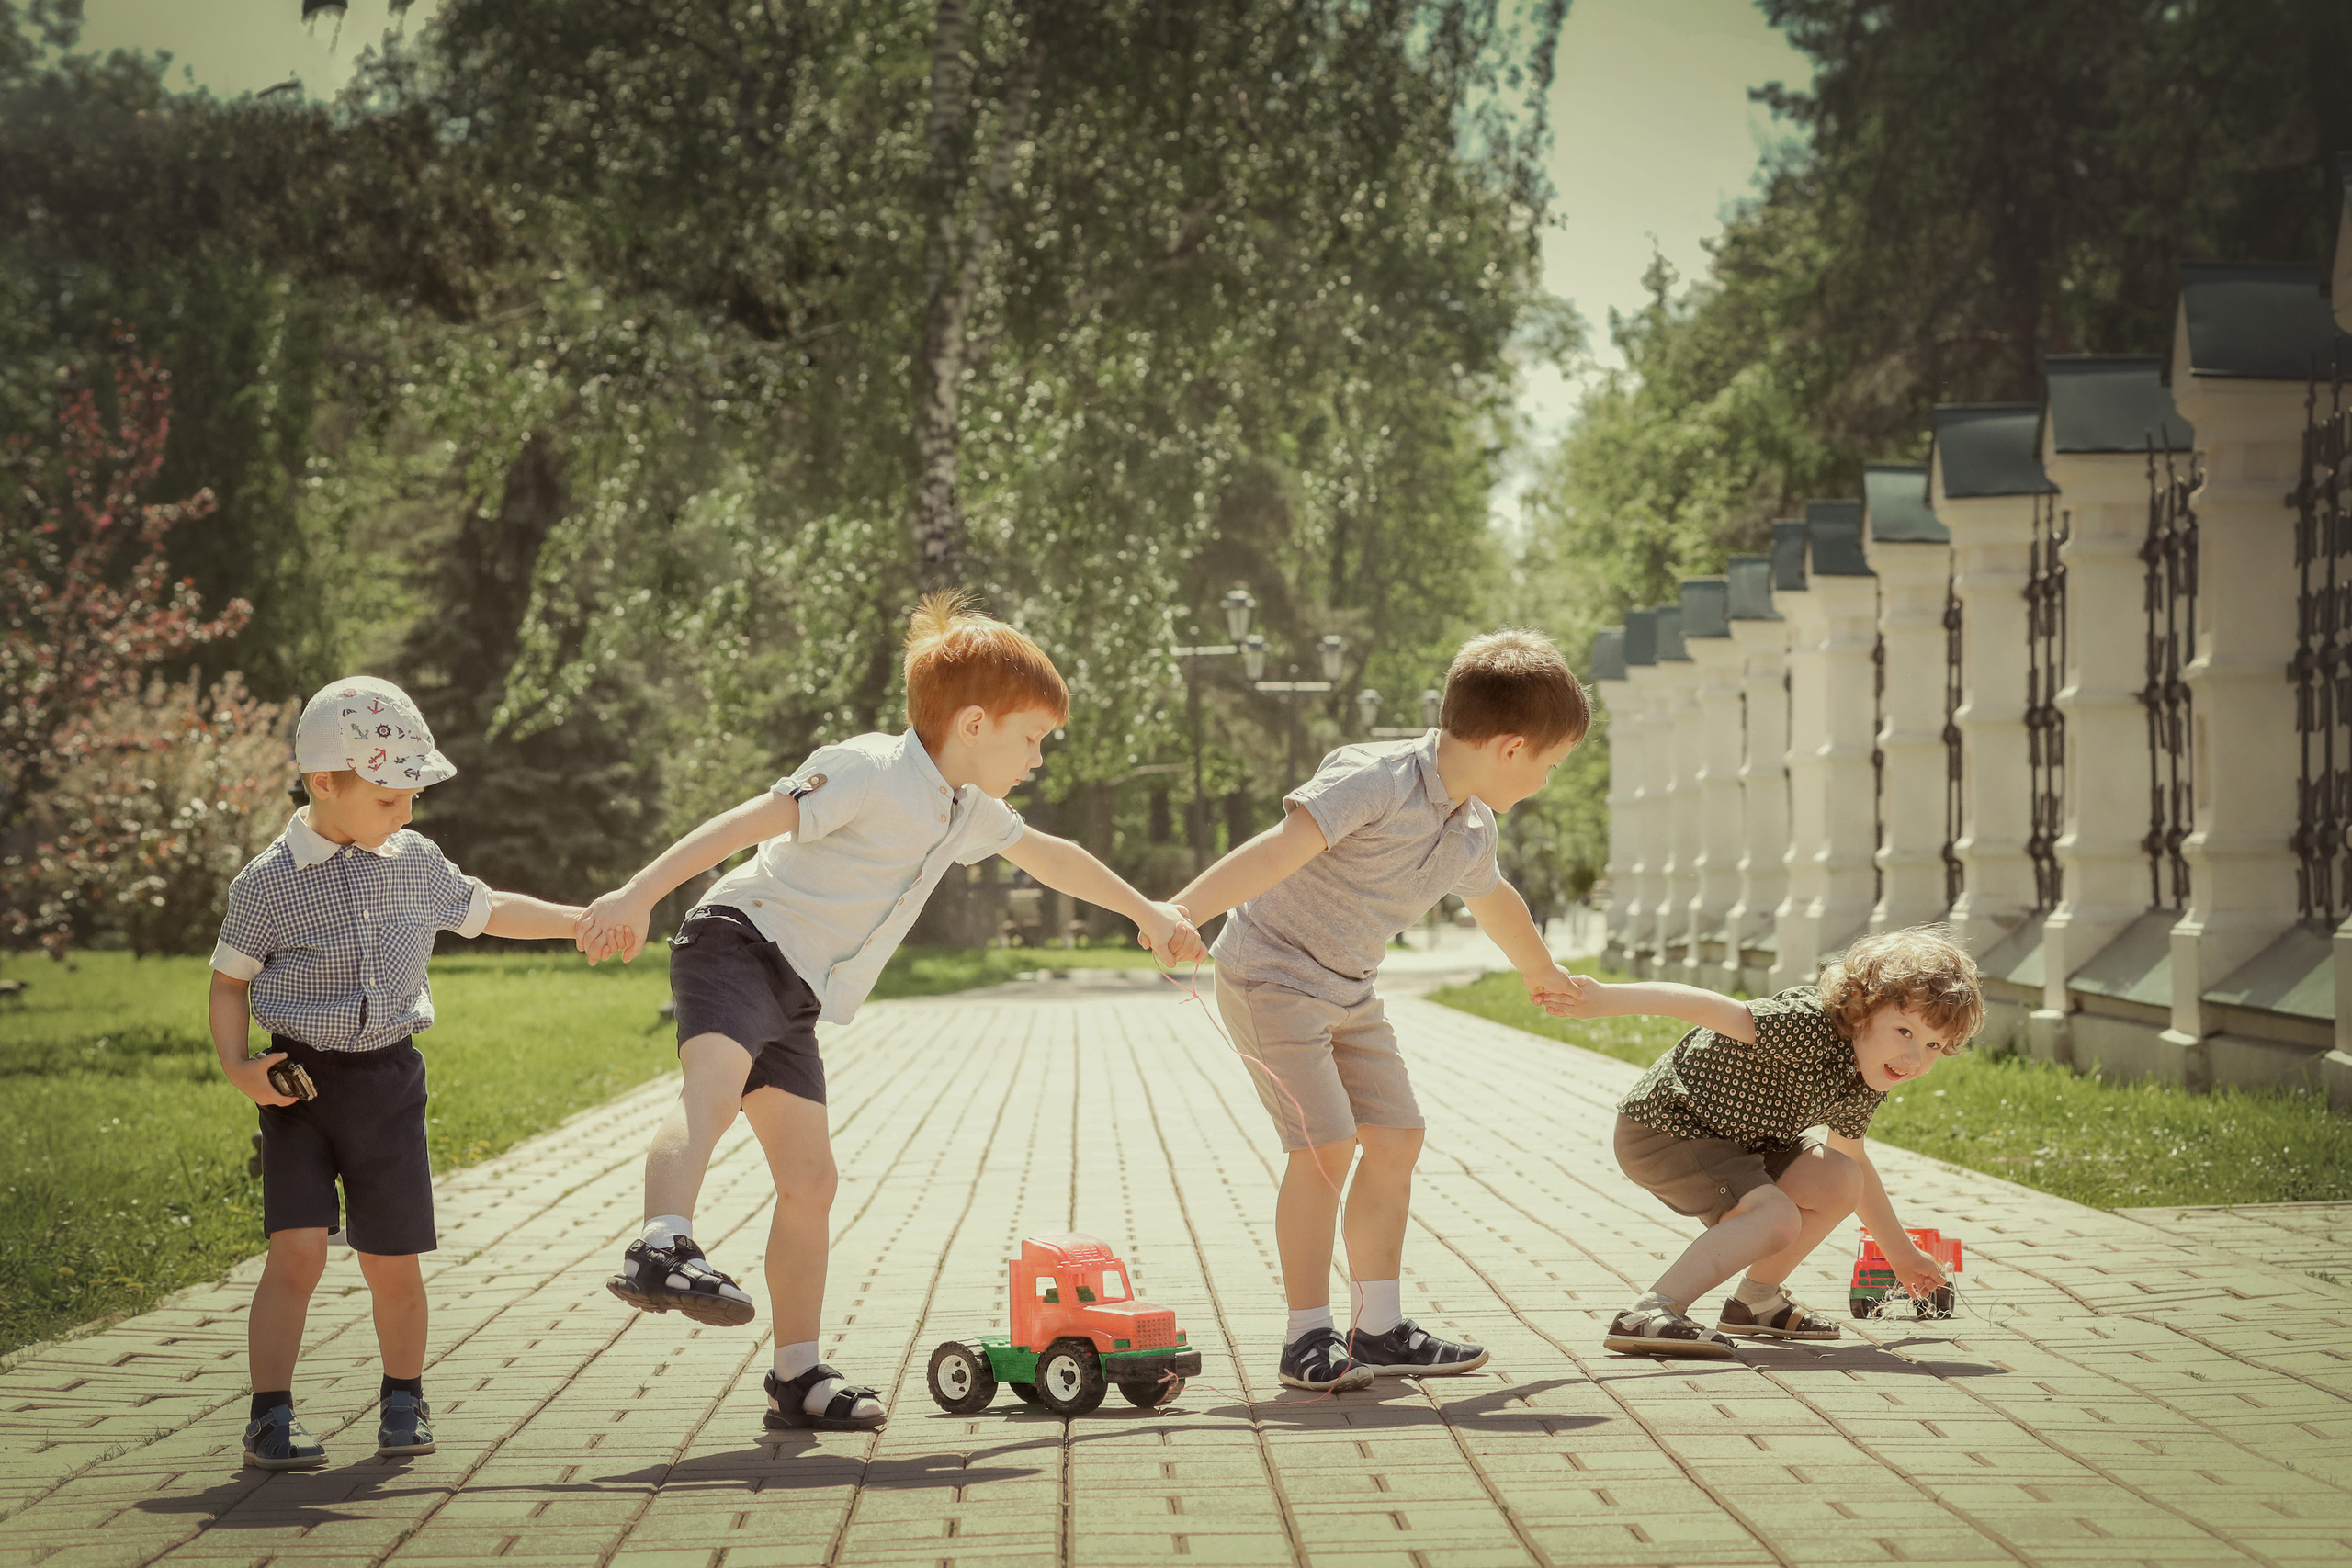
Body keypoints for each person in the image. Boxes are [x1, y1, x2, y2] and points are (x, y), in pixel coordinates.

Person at [574, 592, 1203, 1433]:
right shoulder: (868, 767)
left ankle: (796, 1377)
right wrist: (638, 891)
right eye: (1033, 738)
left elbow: (1053, 856)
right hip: (735, 939)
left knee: (811, 1179)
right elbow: (746, 821)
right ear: (974, 724)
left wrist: (1148, 912)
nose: (1039, 758)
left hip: (797, 988)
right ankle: (661, 1242)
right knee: (712, 1090)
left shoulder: (963, 806)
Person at [1169, 629, 1587, 1392]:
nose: (1548, 781)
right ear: (1511, 747)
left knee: (1395, 1136)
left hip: (1349, 990)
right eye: (1551, 765)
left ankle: (1380, 1328)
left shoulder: (1470, 826)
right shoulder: (1378, 778)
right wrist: (1184, 911)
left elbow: (1497, 903)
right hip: (1272, 977)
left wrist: (1544, 973)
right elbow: (1277, 849)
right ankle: (1306, 1336)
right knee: (1325, 1148)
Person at [209, 676, 586, 1471]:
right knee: (298, 1252)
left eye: (413, 794)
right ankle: (269, 1414)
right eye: (389, 797)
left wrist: (578, 921)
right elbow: (228, 981)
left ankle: (403, 1396)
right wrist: (239, 1066)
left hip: (388, 1086)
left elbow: (490, 909)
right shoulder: (268, 883)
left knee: (393, 1257)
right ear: (324, 783)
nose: (406, 812)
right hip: (298, 1090)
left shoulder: (415, 862)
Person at [1547, 926, 1984, 1359]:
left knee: (1841, 1178)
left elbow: (1854, 1159)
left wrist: (1902, 1256)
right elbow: (1707, 1006)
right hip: (1669, 1128)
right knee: (1776, 1219)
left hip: (1741, 1142)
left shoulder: (1869, 1073)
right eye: (1904, 1032)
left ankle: (1756, 1302)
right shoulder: (1807, 1025)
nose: (1914, 1058)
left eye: (1933, 1045)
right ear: (1863, 1009)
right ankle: (1650, 1312)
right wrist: (1604, 999)